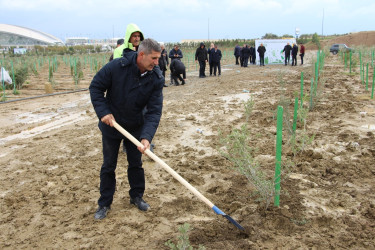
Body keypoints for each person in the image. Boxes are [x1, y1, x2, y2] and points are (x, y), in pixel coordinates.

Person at [89, 38, 164, 220]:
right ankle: (104, 203)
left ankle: (136, 196)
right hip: (112, 125)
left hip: (135, 127)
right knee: (108, 166)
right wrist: (103, 112)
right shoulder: (116, 67)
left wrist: (146, 137)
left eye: (158, 58)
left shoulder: (156, 78)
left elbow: (154, 111)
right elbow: (96, 87)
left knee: (136, 164)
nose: (157, 63)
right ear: (141, 55)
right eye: (153, 58)